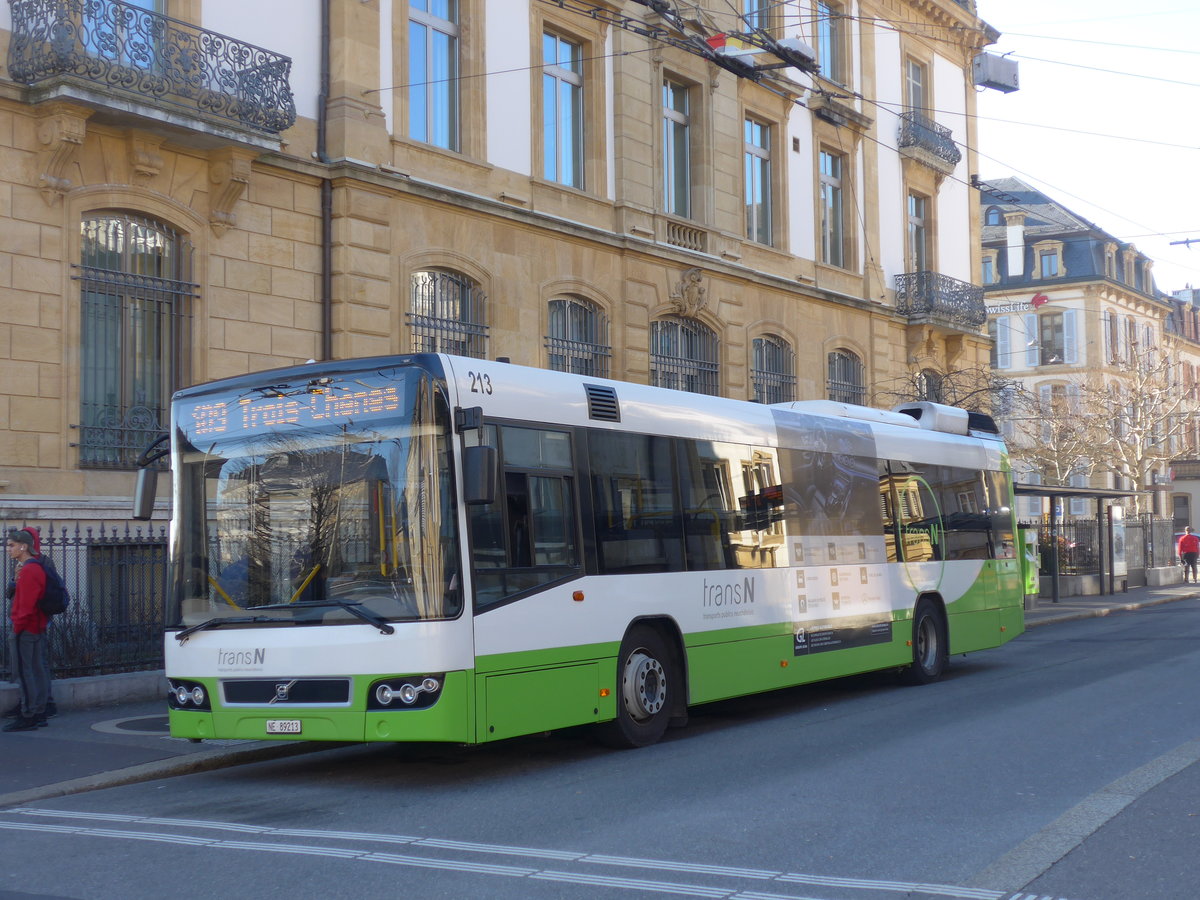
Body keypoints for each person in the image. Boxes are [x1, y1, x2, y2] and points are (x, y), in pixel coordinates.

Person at [4, 527, 50, 731]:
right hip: (34, 627)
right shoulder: (30, 568)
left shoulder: (31, 570)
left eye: (11, 545)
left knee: (25, 672)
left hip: (26, 629)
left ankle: (29, 714)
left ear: (24, 546)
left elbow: (27, 604)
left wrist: (18, 628)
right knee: (34, 670)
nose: (8, 549)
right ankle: (37, 711)